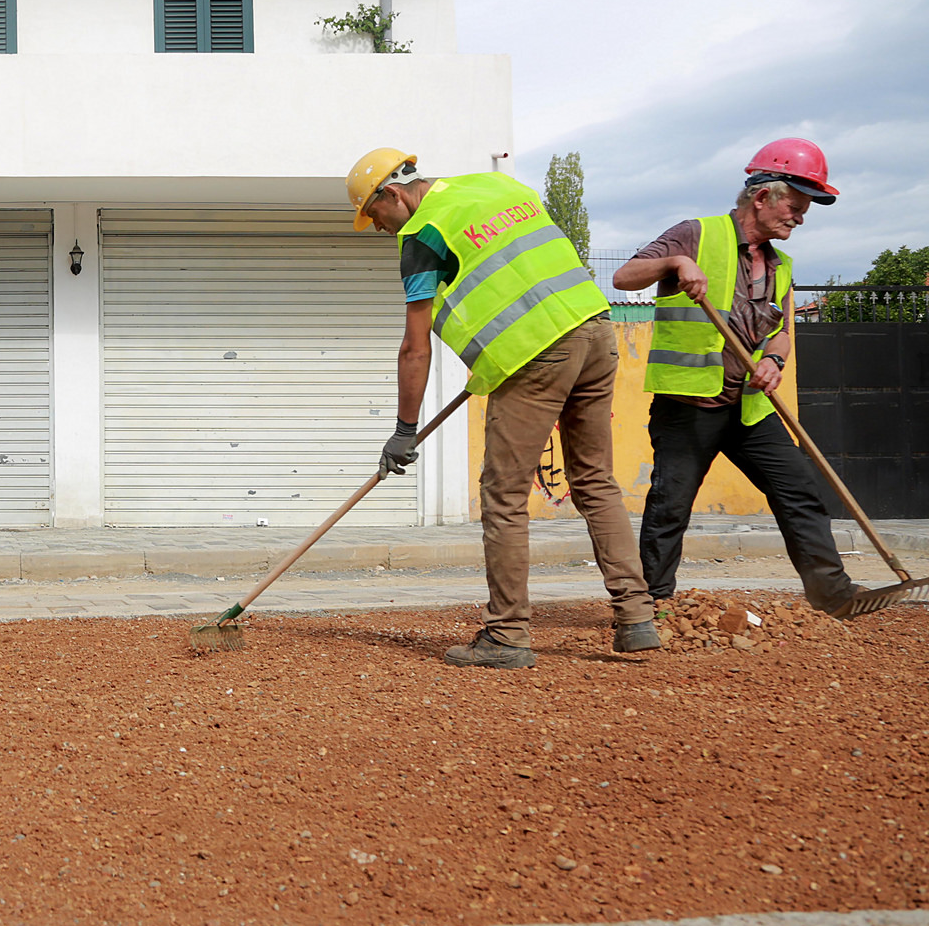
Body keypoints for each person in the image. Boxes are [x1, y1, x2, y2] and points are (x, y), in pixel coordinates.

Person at [349, 147, 656, 668]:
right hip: (595, 331)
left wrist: (404, 429)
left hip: (538, 356)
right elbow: (520, 275)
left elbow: (415, 347)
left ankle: (508, 634)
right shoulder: (498, 188)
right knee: (595, 480)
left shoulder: (421, 235)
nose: (379, 228)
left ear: (393, 195)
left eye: (374, 216)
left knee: (504, 495)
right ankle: (636, 618)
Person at [614, 139, 863, 616]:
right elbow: (625, 277)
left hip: (749, 408)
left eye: (806, 209)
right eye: (796, 205)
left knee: (800, 493)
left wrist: (774, 361)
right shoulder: (696, 234)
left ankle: (834, 598)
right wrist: (675, 262)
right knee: (670, 506)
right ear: (763, 196)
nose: (800, 217)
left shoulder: (781, 265)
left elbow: (784, 332)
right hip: (688, 404)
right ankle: (649, 608)